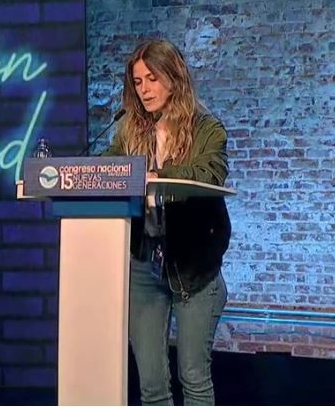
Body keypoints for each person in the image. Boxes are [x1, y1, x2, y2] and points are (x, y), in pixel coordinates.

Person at [103, 38, 231, 405]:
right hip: (144, 265)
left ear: (173, 78)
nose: (144, 90)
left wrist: (158, 175)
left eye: (152, 79)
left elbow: (210, 173)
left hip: (194, 268)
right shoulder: (130, 130)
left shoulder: (207, 129)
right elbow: (108, 169)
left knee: (193, 376)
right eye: (137, 82)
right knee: (151, 385)